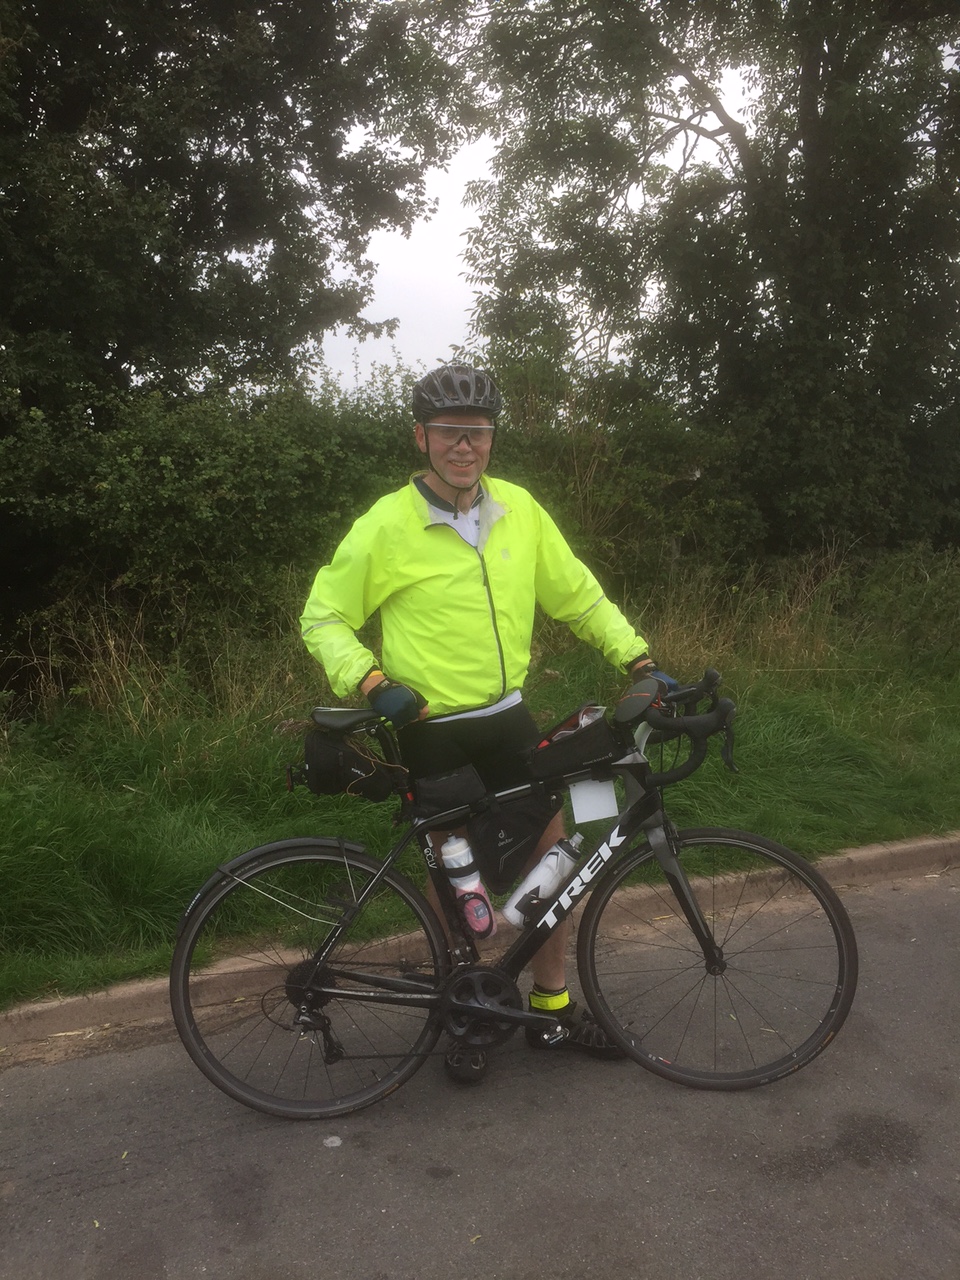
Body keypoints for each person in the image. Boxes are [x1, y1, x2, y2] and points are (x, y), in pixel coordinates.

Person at [300, 363, 662, 1085]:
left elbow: (579, 597)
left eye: (477, 432)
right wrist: (371, 682)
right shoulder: (387, 524)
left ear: (492, 438)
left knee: (550, 856)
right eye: (448, 432)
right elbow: (323, 615)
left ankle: (552, 1008)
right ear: (421, 438)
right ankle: (461, 1014)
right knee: (453, 878)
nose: (463, 446)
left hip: (507, 717)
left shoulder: (520, 510)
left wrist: (638, 657)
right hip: (431, 728)